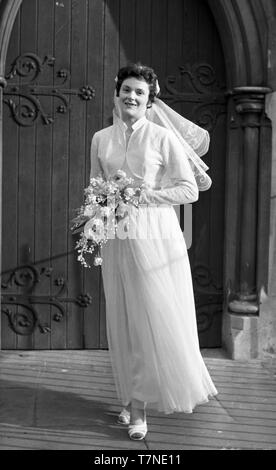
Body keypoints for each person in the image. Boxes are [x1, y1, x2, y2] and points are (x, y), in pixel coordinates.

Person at [89, 63, 218, 441]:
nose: (131, 97)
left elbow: (189, 190)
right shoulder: (100, 139)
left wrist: (144, 195)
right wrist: (97, 214)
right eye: (127, 89)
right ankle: (130, 399)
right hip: (118, 236)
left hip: (156, 235)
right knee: (124, 316)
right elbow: (97, 185)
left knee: (149, 317)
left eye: (140, 93)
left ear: (149, 100)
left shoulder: (162, 138)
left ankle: (140, 407)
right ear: (117, 92)